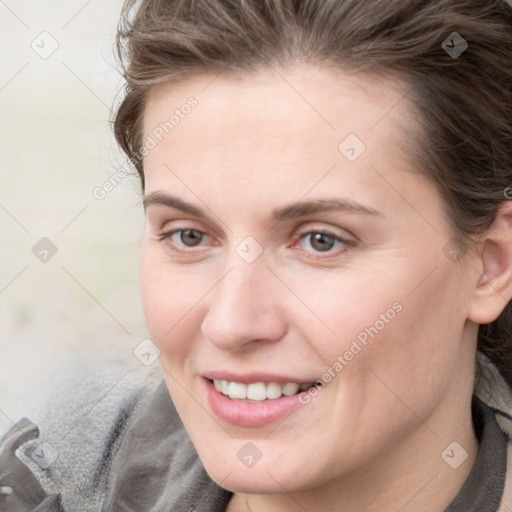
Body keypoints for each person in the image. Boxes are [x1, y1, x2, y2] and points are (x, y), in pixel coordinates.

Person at [1, 0, 512, 510]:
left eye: (321, 241)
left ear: (491, 265)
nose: (230, 323)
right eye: (189, 236)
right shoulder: (43, 487)